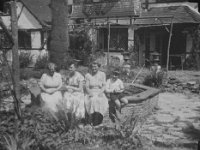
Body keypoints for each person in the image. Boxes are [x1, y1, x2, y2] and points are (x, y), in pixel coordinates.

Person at [85, 60, 108, 126]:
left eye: (95, 67)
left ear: (99, 67)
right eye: (92, 67)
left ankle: (98, 121)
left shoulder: (102, 74)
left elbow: (104, 85)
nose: (94, 68)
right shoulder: (88, 75)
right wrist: (89, 92)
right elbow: (87, 87)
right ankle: (91, 119)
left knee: (100, 100)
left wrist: (101, 93)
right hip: (91, 91)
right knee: (92, 100)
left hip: (99, 92)